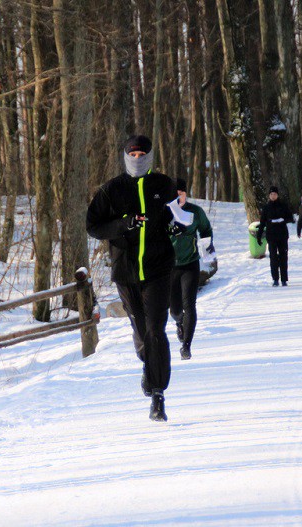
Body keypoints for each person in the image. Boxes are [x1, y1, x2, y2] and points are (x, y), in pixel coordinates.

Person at [86, 135, 179, 422]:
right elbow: (93, 227)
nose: (137, 158)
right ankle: (146, 365)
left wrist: (175, 227)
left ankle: (158, 395)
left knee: (155, 330)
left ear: (150, 156)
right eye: (132, 154)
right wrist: (123, 225)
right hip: (125, 273)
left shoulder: (164, 185)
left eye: (142, 154)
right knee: (141, 332)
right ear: (125, 156)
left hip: (158, 269)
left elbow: (178, 216)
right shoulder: (111, 189)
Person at [169, 178, 213, 361]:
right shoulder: (166, 212)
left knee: (190, 305)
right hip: (170, 267)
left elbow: (206, 230)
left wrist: (207, 251)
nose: (179, 196)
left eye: (181, 193)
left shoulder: (195, 211)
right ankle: (179, 321)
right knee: (175, 309)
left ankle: (186, 345)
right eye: (175, 194)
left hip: (190, 264)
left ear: (186, 193)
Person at [256, 186, 295, 286]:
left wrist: (283, 220)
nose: (273, 196)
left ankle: (284, 279)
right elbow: (262, 222)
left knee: (283, 256)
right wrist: (259, 236)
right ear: (269, 196)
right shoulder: (266, 207)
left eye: (275, 194)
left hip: (282, 235)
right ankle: (275, 279)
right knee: (273, 257)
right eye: (271, 194)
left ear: (277, 195)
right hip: (271, 235)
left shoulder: (283, 205)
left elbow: (291, 217)